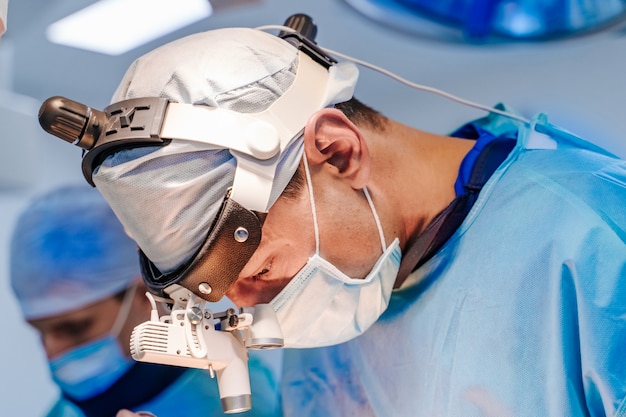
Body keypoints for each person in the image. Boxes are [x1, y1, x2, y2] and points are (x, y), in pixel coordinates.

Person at [37, 17, 626, 417]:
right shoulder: (338, 299)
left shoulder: (594, 238)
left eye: (260, 265)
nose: (248, 306)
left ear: (339, 152)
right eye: (221, 289)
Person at [9, 184, 282, 417]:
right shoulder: (69, 410)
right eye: (40, 333)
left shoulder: (236, 399)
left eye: (75, 328)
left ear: (145, 295)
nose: (52, 353)